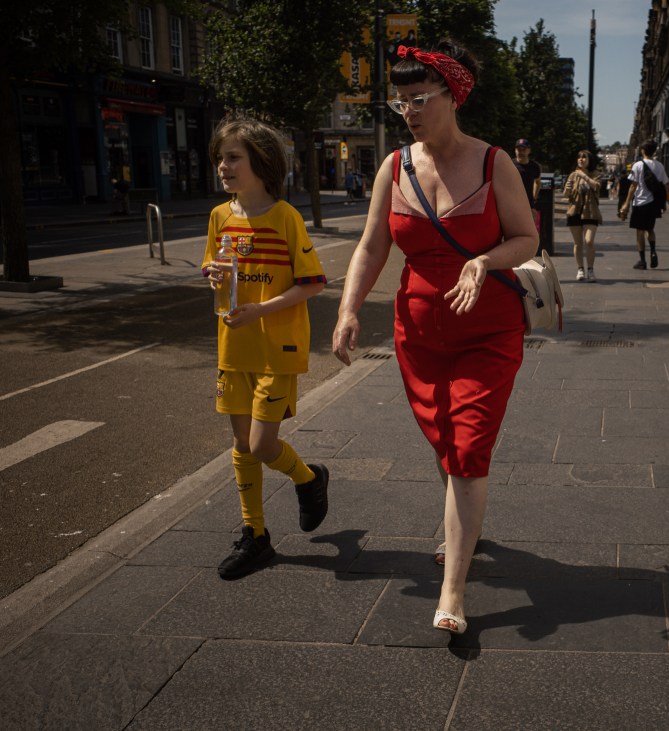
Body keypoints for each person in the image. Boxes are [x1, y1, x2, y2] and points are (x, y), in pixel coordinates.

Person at [331, 40, 537, 636]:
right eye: (401, 103)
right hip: (419, 334)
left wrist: (484, 260)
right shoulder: (394, 167)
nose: (410, 112)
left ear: (454, 95)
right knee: (443, 439)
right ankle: (462, 524)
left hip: (488, 331)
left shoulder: (493, 162)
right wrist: (348, 311)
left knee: (467, 448)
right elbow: (372, 245)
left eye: (420, 99)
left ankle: (452, 591)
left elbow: (527, 239)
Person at [202, 116, 330, 580]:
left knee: (261, 444)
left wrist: (261, 309)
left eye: (233, 157)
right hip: (233, 348)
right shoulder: (219, 217)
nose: (223, 166)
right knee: (241, 444)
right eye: (220, 158)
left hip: (277, 349)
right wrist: (213, 276)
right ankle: (255, 534)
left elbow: (312, 283)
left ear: (260, 161)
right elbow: (212, 267)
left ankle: (308, 478)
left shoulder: (285, 217)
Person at [619, 140, 669, 269]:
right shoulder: (660, 166)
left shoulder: (638, 165)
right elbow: (666, 184)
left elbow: (633, 186)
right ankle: (653, 251)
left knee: (640, 231)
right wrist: (664, 202)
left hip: (640, 202)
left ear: (642, 151)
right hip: (654, 203)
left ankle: (642, 260)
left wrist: (626, 204)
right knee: (650, 229)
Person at [563, 149, 603, 282]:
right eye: (579, 157)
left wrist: (583, 176)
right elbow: (566, 194)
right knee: (578, 243)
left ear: (590, 160)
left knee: (589, 241)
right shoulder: (573, 175)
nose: (581, 159)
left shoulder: (595, 174)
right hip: (575, 211)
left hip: (590, 211)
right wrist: (568, 188)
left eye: (584, 157)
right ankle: (580, 269)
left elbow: (596, 186)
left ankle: (590, 270)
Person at [513, 138, 542, 231]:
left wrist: (534, 197)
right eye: (519, 149)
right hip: (512, 205)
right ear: (515, 150)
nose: (521, 152)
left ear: (529, 150)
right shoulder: (509, 164)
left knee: (530, 232)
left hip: (529, 205)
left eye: (524, 149)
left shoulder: (534, 166)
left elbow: (538, 182)